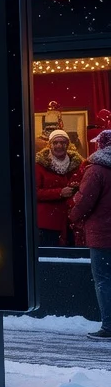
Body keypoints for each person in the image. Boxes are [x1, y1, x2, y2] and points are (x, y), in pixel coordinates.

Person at [71, 130, 111, 338]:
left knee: (104, 280)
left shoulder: (96, 171)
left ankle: (108, 326)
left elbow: (85, 201)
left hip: (102, 234)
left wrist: (73, 215)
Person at [36, 129, 83, 247]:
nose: (59, 146)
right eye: (55, 143)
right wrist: (59, 193)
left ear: (68, 145)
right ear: (50, 145)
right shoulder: (39, 166)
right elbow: (34, 192)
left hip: (72, 221)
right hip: (48, 222)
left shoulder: (78, 165)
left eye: (63, 143)